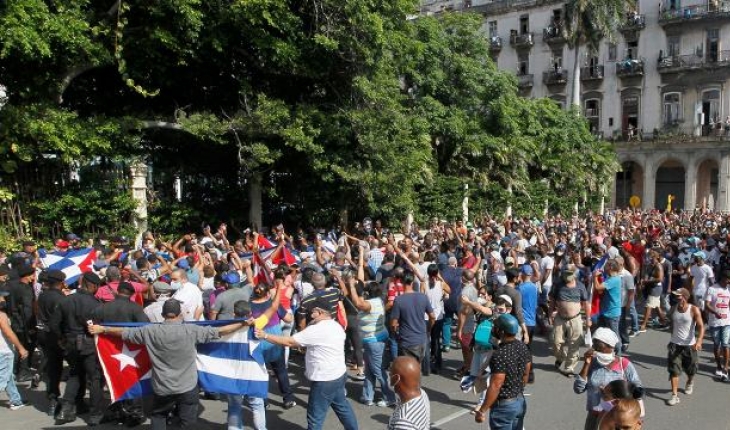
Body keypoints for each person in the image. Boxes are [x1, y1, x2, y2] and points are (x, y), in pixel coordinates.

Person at [88, 299, 253, 430]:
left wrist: (103, 329)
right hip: (187, 386)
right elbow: (221, 331)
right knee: (187, 420)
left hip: (162, 387)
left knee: (159, 416)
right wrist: (243, 323)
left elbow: (124, 333)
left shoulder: (150, 331)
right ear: (180, 314)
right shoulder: (192, 330)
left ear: (162, 314)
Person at [255, 297, 358, 430]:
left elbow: (289, 342)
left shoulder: (316, 330)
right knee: (342, 407)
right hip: (338, 375)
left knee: (315, 417)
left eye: (313, 312)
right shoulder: (336, 325)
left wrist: (265, 336)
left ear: (320, 312)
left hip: (324, 380)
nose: (310, 314)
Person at [91, 282, 149, 426]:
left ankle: (117, 409)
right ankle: (134, 412)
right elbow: (145, 326)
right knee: (132, 379)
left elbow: (93, 324)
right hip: (130, 350)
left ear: (117, 292)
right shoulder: (135, 308)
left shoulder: (102, 308)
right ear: (131, 294)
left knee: (113, 378)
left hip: (109, 350)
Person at [50, 272, 105, 424]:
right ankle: (95, 415)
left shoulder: (66, 300)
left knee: (75, 374)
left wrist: (62, 338)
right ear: (93, 286)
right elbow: (99, 326)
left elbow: (54, 325)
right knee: (95, 378)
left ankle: (66, 410)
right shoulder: (95, 304)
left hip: (70, 342)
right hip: (88, 343)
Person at [226, 292, 284, 430]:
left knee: (234, 406)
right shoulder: (257, 325)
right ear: (250, 312)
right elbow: (273, 308)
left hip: (234, 372)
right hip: (253, 371)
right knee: (257, 405)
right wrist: (278, 286)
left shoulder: (226, 329)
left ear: (234, 313)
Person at [574, 327, 642, 430]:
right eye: (595, 348)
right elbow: (578, 389)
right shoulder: (592, 362)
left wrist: (614, 393)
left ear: (611, 346)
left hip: (618, 418)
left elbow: (638, 389)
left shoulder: (623, 364)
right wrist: (586, 363)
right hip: (594, 415)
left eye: (600, 349)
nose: (596, 351)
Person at [474, 314, 532, 429]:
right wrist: (517, 389)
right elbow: (526, 373)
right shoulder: (522, 346)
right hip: (519, 401)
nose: (493, 329)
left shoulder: (500, 354)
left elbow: (496, 385)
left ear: (501, 331)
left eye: (495, 327)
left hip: (504, 407)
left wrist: (482, 410)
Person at [549, 265, 590, 376]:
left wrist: (588, 318)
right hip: (560, 318)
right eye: (565, 273)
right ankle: (561, 357)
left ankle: (569, 367)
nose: (567, 276)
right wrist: (549, 314)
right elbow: (552, 300)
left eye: (569, 274)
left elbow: (586, 303)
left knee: (574, 344)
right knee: (555, 341)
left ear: (574, 274)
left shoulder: (580, 286)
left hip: (575, 319)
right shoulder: (557, 285)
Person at [36, 269, 67, 416]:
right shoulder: (60, 299)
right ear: (61, 283)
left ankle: (53, 399)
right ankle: (70, 401)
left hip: (45, 334)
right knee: (71, 368)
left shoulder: (42, 296)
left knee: (53, 368)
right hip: (58, 336)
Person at [666, 288, 705, 406]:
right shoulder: (673, 309)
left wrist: (698, 341)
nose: (676, 297)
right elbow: (672, 324)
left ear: (684, 296)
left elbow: (701, 327)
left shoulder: (693, 309)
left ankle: (690, 381)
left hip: (690, 346)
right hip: (675, 345)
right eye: (675, 295)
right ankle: (674, 395)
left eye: (678, 295)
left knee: (691, 370)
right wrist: (672, 338)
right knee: (674, 371)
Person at [390, 271, 436, 364]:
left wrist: (395, 333)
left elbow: (393, 324)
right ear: (412, 282)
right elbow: (432, 317)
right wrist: (428, 329)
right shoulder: (423, 297)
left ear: (401, 282)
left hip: (407, 341)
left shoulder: (398, 300)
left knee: (407, 371)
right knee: (417, 368)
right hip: (421, 340)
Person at [7, 264, 36, 382]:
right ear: (27, 276)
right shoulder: (26, 289)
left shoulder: (11, 286)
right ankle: (23, 371)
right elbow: (27, 309)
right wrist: (31, 325)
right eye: (32, 275)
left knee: (16, 346)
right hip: (23, 323)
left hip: (13, 321)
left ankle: (14, 370)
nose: (34, 277)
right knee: (24, 347)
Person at [0, 289, 28, 410]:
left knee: (8, 376)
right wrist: (21, 348)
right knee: (2, 379)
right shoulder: (1, 315)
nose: (3, 300)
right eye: (1, 297)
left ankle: (16, 400)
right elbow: (8, 332)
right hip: (4, 351)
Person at [387, 356, 430, 430]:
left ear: (396, 379)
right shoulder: (422, 394)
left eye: (390, 373)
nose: (389, 375)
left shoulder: (404, 422)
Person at [593, 260, 623, 353]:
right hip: (606, 311)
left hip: (612, 313)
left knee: (614, 335)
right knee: (601, 333)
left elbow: (598, 287)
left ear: (610, 267)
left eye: (605, 266)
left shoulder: (613, 280)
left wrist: (594, 276)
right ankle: (601, 351)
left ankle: (618, 355)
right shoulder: (611, 278)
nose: (604, 268)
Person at [705, 270, 730, 380]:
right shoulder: (712, 289)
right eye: (727, 279)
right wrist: (715, 312)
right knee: (717, 344)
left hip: (726, 322)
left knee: (725, 344)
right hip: (714, 322)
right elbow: (707, 305)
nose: (729, 281)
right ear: (723, 278)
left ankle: (725, 367)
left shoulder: (728, 290)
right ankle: (718, 366)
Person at [638, 250, 668, 333]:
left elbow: (660, 279)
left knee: (648, 306)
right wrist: (643, 280)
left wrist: (647, 281)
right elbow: (647, 275)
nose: (650, 258)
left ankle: (643, 325)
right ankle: (664, 322)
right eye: (649, 257)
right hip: (650, 288)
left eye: (651, 257)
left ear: (656, 257)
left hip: (656, 289)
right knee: (657, 306)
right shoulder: (650, 265)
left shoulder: (659, 266)